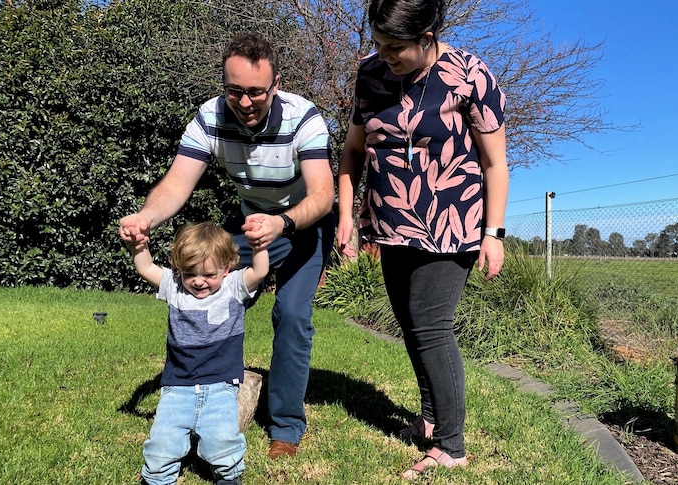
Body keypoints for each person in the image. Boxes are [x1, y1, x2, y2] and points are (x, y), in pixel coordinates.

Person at [119, 32, 335, 459]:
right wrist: (146, 217)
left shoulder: (303, 118)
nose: (246, 101)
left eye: (257, 91)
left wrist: (283, 222)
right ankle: (195, 395)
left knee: (291, 314)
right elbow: (178, 182)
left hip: (303, 223)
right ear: (224, 84)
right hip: (251, 220)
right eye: (235, 90)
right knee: (202, 300)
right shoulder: (209, 117)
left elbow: (323, 194)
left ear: (275, 85)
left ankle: (285, 428)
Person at [336, 0, 509, 479]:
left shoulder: (470, 75)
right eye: (377, 43)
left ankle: (451, 445)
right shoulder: (370, 75)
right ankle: (430, 420)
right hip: (391, 223)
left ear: (429, 35)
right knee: (410, 325)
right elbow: (352, 152)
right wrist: (347, 215)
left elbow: (495, 163)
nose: (384, 55)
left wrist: (493, 234)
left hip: (451, 225)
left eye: (396, 47)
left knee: (432, 327)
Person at [125, 222, 269, 485]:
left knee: (222, 438)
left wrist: (259, 247)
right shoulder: (175, 287)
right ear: (179, 270)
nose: (199, 281)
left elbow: (260, 270)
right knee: (163, 440)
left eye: (208, 274)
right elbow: (146, 268)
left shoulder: (233, 287)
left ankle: (228, 476)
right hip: (177, 385)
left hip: (221, 384)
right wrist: (138, 247)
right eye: (190, 273)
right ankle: (157, 478)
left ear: (226, 268)